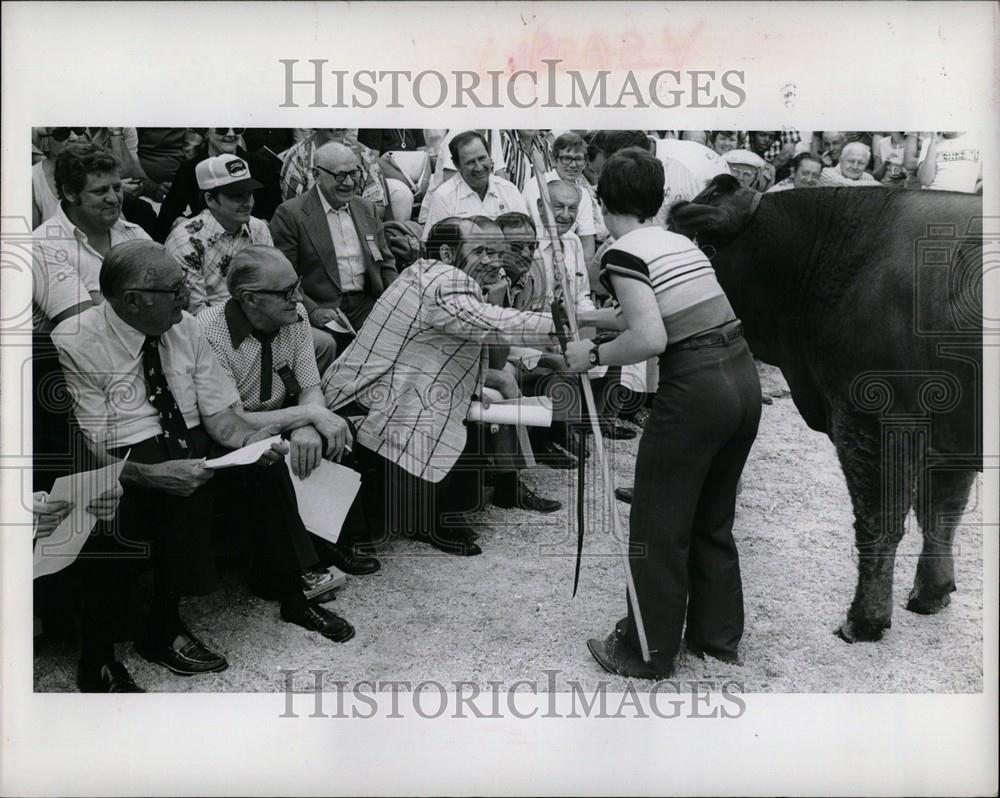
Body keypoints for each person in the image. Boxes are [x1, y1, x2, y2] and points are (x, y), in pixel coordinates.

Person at [51, 240, 356, 690]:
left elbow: (221, 419)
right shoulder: (76, 342)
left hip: (188, 437)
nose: (186, 298)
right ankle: (110, 652)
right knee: (160, 498)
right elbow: (91, 446)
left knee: (266, 465)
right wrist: (152, 475)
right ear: (133, 300)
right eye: (175, 291)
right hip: (126, 454)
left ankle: (291, 594)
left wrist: (253, 443)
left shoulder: (186, 326)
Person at [566, 147, 761, 679]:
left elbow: (650, 336)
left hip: (695, 388)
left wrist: (594, 353)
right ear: (658, 198)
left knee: (657, 521)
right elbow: (663, 309)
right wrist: (591, 316)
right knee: (711, 517)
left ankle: (645, 651)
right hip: (740, 377)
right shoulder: (677, 242)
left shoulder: (620, 251)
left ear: (603, 201)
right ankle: (716, 638)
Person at [322, 216, 560, 556]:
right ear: (447, 253)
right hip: (364, 399)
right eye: (481, 251)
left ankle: (440, 512)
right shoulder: (445, 281)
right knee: (443, 400)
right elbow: (497, 326)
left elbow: (491, 354)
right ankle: (429, 519)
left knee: (454, 394)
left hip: (378, 389)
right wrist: (571, 326)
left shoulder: (428, 273)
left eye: (496, 252)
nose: (494, 261)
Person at [197, 245, 379, 577]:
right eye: (286, 292)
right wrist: (308, 416)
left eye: (297, 286)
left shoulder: (293, 316)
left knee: (335, 436)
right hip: (237, 429)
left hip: (282, 411)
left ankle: (338, 537)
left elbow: (310, 386)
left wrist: (307, 425)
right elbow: (233, 418)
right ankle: (306, 558)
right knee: (274, 461)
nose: (297, 298)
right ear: (249, 299)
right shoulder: (209, 331)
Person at [269, 141, 399, 346]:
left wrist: (398, 300)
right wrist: (313, 310)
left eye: (354, 173)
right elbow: (285, 278)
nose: (349, 183)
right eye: (340, 175)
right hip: (324, 308)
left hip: (368, 305)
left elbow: (385, 264)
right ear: (317, 175)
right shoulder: (291, 215)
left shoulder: (367, 209)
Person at [32, 143, 151, 330]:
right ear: (70, 193)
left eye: (117, 187)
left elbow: (175, 297)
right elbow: (88, 328)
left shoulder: (134, 233)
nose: (114, 198)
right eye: (100, 191)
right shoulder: (42, 245)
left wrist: (100, 300)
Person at [164, 154, 273, 315]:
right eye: (236, 196)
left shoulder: (258, 228)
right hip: (210, 330)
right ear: (210, 199)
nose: (247, 202)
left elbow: (272, 284)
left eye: (249, 193)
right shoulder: (184, 241)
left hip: (262, 317)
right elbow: (195, 312)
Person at [157, 127, 284, 241]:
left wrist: (262, 227)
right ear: (206, 132)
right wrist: (181, 223)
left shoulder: (260, 165)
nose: (230, 133)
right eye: (222, 129)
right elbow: (168, 214)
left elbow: (276, 209)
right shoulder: (190, 168)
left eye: (237, 129)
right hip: (205, 240)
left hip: (250, 238)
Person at [421, 131, 527, 238]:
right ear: (457, 165)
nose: (479, 167)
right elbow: (434, 247)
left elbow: (526, 236)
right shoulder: (444, 197)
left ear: (490, 156)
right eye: (470, 162)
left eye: (482, 158)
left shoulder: (509, 191)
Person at [522, 132, 598, 265]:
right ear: (553, 160)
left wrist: (581, 276)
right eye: (567, 158)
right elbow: (540, 234)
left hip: (568, 260)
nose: (573, 165)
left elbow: (587, 243)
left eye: (579, 159)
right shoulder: (537, 185)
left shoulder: (583, 193)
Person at [279, 128, 391, 218]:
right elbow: (294, 213)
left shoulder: (364, 154)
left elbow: (377, 208)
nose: (338, 125)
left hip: (359, 229)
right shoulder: (297, 157)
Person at [915, 132, 983, 193]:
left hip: (961, 201)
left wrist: (973, 193)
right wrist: (933, 141)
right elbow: (925, 181)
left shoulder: (978, 141)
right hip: (930, 197)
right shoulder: (929, 142)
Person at [816, 142, 881, 186]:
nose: (855, 167)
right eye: (851, 161)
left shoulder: (868, 178)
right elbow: (849, 186)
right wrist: (877, 185)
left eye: (861, 163)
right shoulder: (826, 173)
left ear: (866, 164)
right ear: (841, 160)